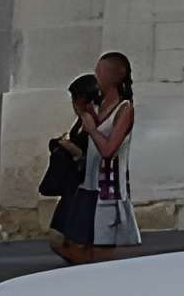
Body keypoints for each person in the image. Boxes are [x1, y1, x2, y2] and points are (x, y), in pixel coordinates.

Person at [56, 50, 140, 265]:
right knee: (75, 244)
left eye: (100, 72)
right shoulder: (100, 107)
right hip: (90, 184)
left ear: (116, 76)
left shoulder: (125, 109)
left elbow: (108, 150)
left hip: (109, 188)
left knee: (100, 251)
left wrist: (92, 129)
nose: (97, 76)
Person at [45, 73, 102, 261]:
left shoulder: (95, 120)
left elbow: (97, 154)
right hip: (74, 182)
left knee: (72, 232)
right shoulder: (82, 120)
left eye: (75, 99)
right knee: (64, 231)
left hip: (85, 183)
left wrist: (74, 151)